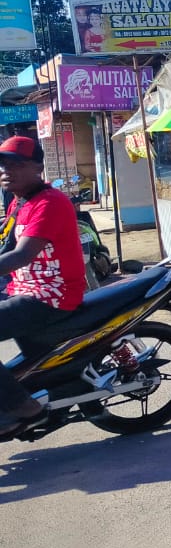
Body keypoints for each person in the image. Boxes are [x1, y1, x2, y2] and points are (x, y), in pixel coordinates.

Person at [0, 136, 87, 439]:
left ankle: (24, 408)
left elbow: (21, 255)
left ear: (38, 168)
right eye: (3, 165)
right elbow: (6, 247)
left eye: (16, 164)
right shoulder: (20, 202)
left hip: (50, 295)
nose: (6, 171)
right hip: (23, 288)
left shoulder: (49, 203)